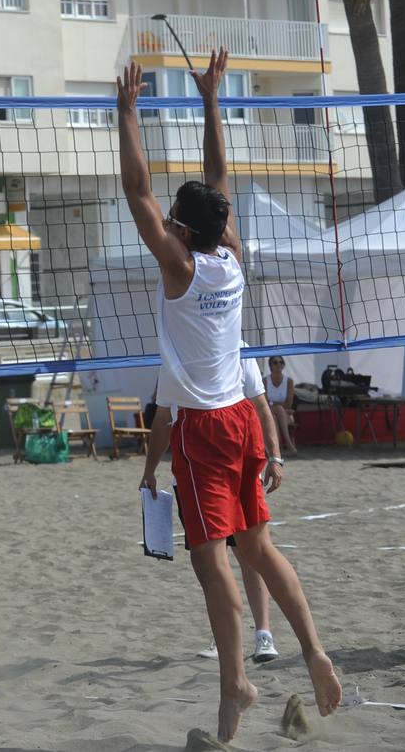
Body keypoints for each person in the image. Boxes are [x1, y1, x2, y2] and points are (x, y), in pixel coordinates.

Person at [118, 51, 340, 742]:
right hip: (244, 422)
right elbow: (218, 181)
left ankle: (235, 682)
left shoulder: (180, 265)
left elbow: (136, 192)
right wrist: (210, 100)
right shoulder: (229, 256)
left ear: (180, 229)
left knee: (210, 562)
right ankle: (312, 651)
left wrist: (126, 112)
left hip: (204, 430)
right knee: (260, 550)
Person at [142, 350, 287, 664]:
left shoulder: (240, 347)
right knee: (210, 561)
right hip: (194, 471)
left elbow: (261, 407)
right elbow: (163, 417)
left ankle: (264, 635)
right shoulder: (176, 351)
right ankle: (226, 637)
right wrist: (149, 470)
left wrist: (275, 457)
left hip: (232, 458)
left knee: (252, 554)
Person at [267, 356, 298, 456]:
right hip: (270, 412)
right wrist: (276, 406)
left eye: (281, 362)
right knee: (277, 412)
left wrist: (273, 404)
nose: (278, 364)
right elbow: (265, 403)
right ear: (270, 366)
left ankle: (277, 448)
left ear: (284, 365)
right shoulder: (265, 381)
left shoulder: (289, 381)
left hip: (283, 413)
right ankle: (288, 443)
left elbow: (289, 403)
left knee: (276, 416)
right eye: (275, 362)